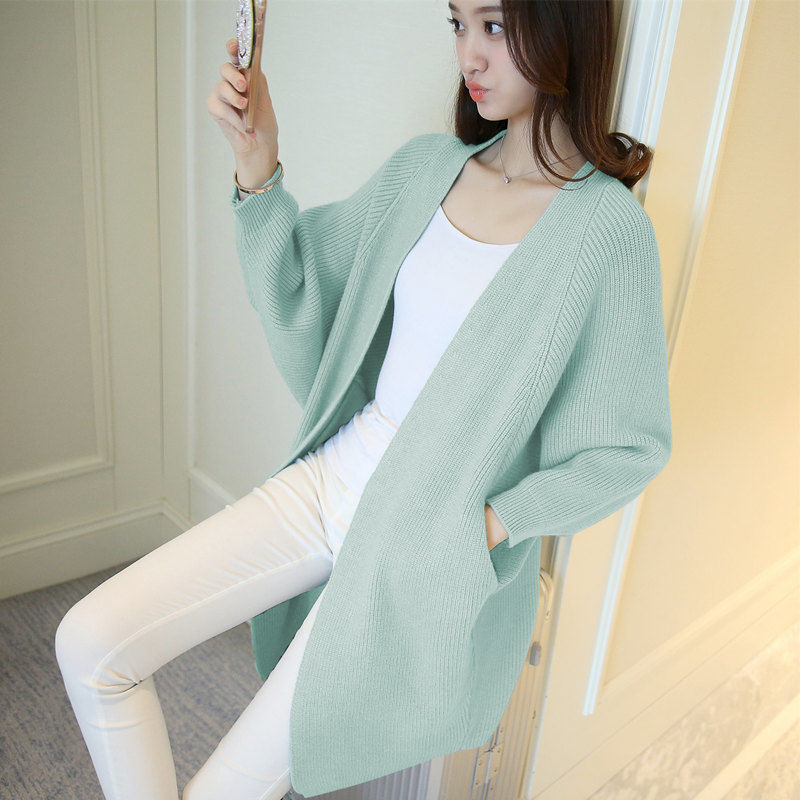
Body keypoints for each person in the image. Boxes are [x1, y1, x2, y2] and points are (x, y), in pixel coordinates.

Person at [54, 2, 671, 799]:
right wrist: (256, 162)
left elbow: (627, 448)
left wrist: (487, 525)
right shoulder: (425, 169)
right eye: (457, 24)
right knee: (90, 644)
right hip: (330, 479)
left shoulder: (608, 234)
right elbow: (307, 289)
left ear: (564, 24)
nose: (469, 55)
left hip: (417, 543)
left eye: (493, 26)